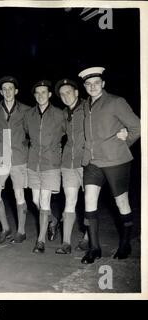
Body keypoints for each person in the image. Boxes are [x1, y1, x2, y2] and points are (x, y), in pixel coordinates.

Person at [78, 67, 140, 263]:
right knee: (89, 201)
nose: (92, 87)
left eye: (96, 83)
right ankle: (94, 248)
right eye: (88, 84)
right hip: (93, 162)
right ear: (85, 86)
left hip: (116, 161)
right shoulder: (85, 105)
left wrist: (124, 141)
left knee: (121, 202)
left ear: (103, 84)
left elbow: (137, 126)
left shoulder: (116, 101)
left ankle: (125, 244)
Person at [0, 76, 31, 244]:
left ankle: (21, 231)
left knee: (19, 194)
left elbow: (33, 131)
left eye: (11, 88)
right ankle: (5, 229)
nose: (8, 91)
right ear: (1, 92)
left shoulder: (26, 110)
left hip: (19, 157)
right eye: (5, 89)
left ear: (16, 91)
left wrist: (27, 143)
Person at [24, 80, 66, 253]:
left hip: (51, 164)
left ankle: (40, 241)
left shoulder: (59, 114)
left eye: (44, 92)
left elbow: (70, 133)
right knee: (35, 200)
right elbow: (26, 134)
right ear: (34, 96)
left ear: (49, 95)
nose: (41, 95)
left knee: (44, 201)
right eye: (37, 93)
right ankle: (53, 220)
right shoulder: (29, 115)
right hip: (34, 163)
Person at [54, 79, 88, 254]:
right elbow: (54, 135)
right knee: (70, 200)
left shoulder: (89, 108)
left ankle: (88, 238)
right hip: (68, 163)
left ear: (76, 93)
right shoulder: (62, 114)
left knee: (90, 201)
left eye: (69, 92)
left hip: (87, 162)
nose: (66, 96)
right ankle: (66, 242)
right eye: (62, 94)